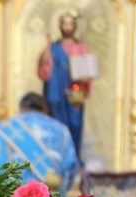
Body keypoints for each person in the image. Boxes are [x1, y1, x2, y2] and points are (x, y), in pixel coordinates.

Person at [0, 93, 80, 194]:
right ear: (45, 110)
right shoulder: (62, 130)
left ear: (20, 109)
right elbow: (71, 167)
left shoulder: (0, 129)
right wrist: (61, 190)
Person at [38, 13, 91, 154]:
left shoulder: (80, 47)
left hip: (74, 96)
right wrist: (48, 44)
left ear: (75, 26)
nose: (68, 27)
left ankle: (73, 157)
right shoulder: (54, 47)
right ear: (60, 26)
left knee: (74, 125)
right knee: (56, 124)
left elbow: (87, 73)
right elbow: (44, 67)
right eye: (65, 24)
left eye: (70, 24)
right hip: (56, 96)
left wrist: (83, 80)